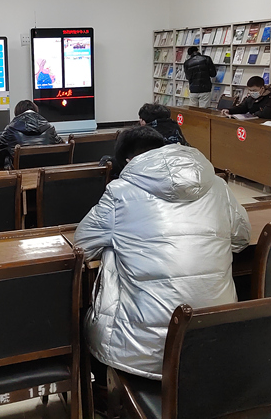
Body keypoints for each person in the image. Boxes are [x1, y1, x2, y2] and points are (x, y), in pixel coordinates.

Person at [75, 126, 250, 380]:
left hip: (140, 351)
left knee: (109, 259)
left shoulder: (119, 192)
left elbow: (82, 246)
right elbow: (242, 238)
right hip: (216, 340)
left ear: (128, 162)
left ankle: (105, 387)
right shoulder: (218, 186)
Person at [0, 100, 62, 169]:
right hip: (46, 171)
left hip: (20, 173)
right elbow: (61, 143)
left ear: (17, 113)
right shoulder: (49, 128)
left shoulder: (11, 129)